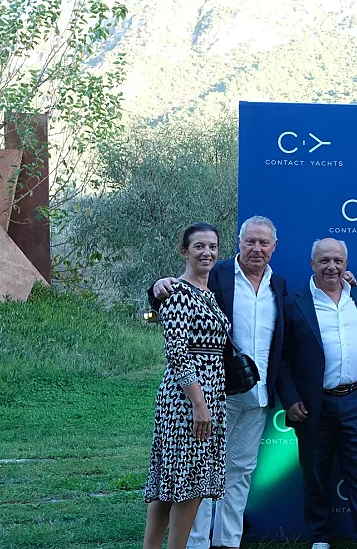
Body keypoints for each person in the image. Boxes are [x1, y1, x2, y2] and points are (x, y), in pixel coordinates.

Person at [149, 215, 288, 549]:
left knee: (238, 471)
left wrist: (346, 281)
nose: (257, 248)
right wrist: (156, 288)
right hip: (210, 394)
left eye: (264, 242)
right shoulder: (217, 273)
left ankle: (227, 542)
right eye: (250, 241)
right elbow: (175, 298)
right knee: (198, 472)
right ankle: (196, 543)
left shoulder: (279, 285)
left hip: (256, 394)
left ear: (274, 247)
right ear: (239, 243)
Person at [277, 238, 357, 549]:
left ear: (346, 264)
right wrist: (290, 399)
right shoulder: (293, 302)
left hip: (356, 401)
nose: (331, 267)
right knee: (315, 474)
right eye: (324, 260)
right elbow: (281, 358)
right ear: (312, 264)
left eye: (338, 261)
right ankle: (320, 537)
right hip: (314, 405)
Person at [143, 222, 231, 549]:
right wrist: (199, 404)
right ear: (184, 251)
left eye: (212, 246)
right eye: (199, 246)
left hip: (208, 396)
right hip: (187, 398)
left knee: (174, 478)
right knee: (186, 481)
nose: (207, 252)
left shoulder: (209, 293)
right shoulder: (178, 293)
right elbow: (177, 353)